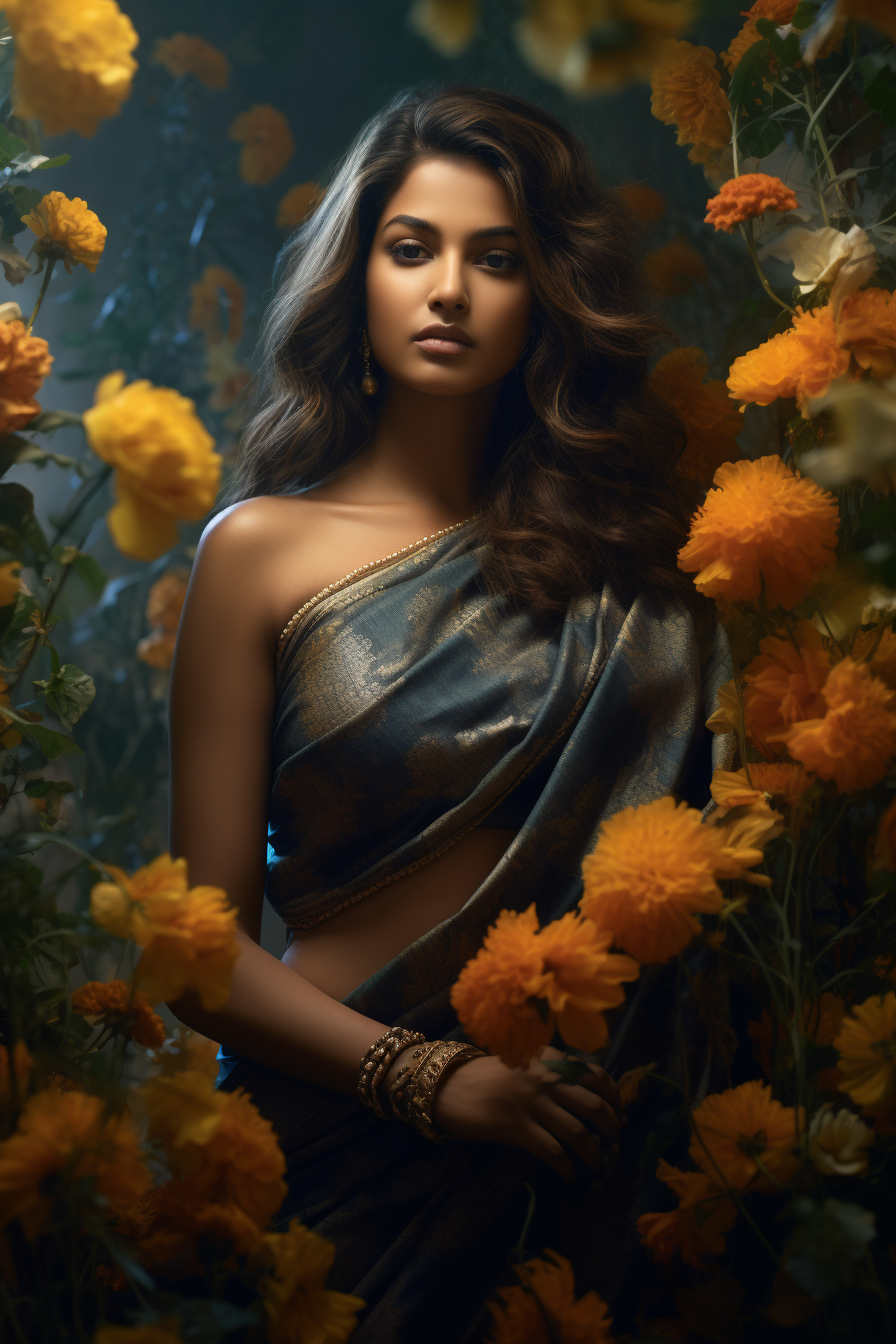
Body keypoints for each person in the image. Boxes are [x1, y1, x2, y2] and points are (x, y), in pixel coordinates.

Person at [167, 85, 732, 1341]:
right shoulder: (257, 553)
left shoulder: (637, 568)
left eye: (498, 259)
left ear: (547, 296)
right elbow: (197, 951)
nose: (447, 293)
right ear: (353, 274)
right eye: (410, 248)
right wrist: (426, 1078)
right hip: (328, 1146)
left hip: (585, 1138)